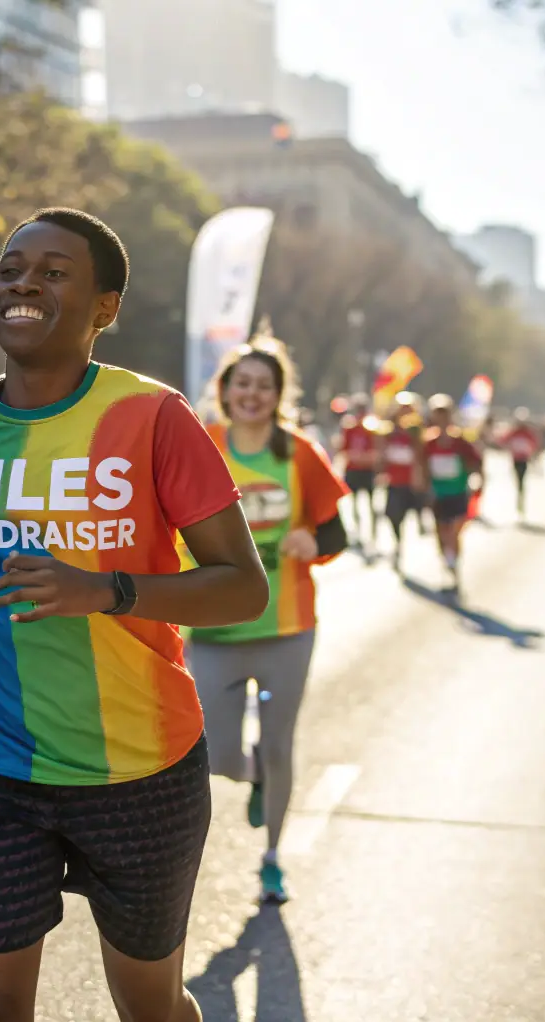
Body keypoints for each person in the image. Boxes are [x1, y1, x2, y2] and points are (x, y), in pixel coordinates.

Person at [0, 208, 269, 1022]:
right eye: (10, 267)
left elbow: (242, 587)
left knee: (148, 1005)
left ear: (104, 309)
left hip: (138, 768)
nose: (23, 281)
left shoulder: (152, 417)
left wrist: (107, 589)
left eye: (55, 271)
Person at [189, 335, 349, 905]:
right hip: (211, 629)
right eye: (243, 383)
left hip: (287, 627)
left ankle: (273, 858)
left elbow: (336, 529)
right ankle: (250, 773)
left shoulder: (298, 452)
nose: (252, 394)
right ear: (225, 390)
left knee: (280, 745)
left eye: (264, 385)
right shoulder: (200, 444)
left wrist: (313, 539)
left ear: (279, 394)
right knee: (215, 751)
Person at [421, 395, 482, 588]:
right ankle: (446, 561)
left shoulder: (461, 441)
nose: (441, 420)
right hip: (437, 494)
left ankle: (454, 565)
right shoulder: (428, 441)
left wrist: (478, 481)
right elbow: (423, 466)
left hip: (458, 492)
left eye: (444, 415)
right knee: (440, 531)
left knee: (454, 532)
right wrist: (424, 485)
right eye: (437, 415)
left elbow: (476, 462)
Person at [380, 392, 423, 569]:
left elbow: (421, 454)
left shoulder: (416, 431)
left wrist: (419, 475)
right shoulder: (389, 430)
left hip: (412, 482)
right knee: (392, 514)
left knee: (417, 510)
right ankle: (398, 542)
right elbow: (382, 452)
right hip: (394, 481)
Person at [333, 393, 378, 552]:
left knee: (372, 503)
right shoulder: (349, 427)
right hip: (353, 470)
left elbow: (378, 449)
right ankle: (358, 533)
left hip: (368, 470)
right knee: (354, 504)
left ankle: (373, 534)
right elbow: (343, 448)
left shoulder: (372, 426)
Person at [501, 408, 541, 517]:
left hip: (524, 460)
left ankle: (520, 496)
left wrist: (532, 454)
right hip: (515, 459)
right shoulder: (514, 432)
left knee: (521, 480)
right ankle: (520, 495)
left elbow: (535, 444)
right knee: (518, 479)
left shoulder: (528, 433)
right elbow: (503, 440)